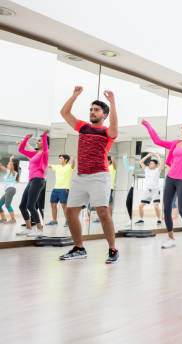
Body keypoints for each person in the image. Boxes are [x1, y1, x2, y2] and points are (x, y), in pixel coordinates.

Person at [58, 86, 119, 263]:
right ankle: (79, 248)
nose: (92, 112)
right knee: (70, 213)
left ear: (104, 114)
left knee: (103, 212)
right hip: (79, 176)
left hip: (99, 176)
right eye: (91, 109)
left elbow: (115, 125)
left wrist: (113, 103)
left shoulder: (108, 132)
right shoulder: (83, 127)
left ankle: (113, 249)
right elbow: (64, 112)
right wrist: (74, 95)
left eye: (96, 110)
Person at [142, 118, 182, 250]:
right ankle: (170, 238)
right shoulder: (176, 143)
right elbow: (157, 141)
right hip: (170, 178)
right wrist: (148, 125)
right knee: (166, 209)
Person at [15, 131, 49, 237]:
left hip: (38, 180)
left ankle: (40, 229)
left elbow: (45, 146)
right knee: (22, 206)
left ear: (44, 143)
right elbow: (21, 149)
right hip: (31, 180)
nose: (37, 142)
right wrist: (26, 138)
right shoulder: (35, 153)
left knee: (30, 205)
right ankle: (29, 228)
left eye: (39, 141)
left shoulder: (45, 153)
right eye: (37, 140)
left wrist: (44, 135)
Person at [46, 154, 75, 226]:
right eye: (59, 158)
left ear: (65, 160)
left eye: (61, 158)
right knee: (53, 204)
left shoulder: (69, 167)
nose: (59, 159)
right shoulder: (57, 167)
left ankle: (68, 221)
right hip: (55, 189)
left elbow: (73, 166)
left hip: (64, 189)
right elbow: (47, 165)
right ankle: (54, 221)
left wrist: (73, 160)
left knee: (64, 206)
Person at [135, 153, 162, 225]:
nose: (150, 164)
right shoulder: (146, 169)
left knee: (156, 206)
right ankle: (141, 219)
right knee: (140, 206)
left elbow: (161, 164)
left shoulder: (157, 170)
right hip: (147, 191)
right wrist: (147, 156)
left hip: (155, 191)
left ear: (155, 165)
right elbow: (140, 162)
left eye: (152, 163)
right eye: (149, 163)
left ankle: (159, 219)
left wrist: (158, 156)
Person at [0, 156, 19, 224]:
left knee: (7, 204)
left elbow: (12, 169)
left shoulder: (14, 173)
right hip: (8, 190)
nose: (7, 164)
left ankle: (13, 219)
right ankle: (3, 219)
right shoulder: (8, 172)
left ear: (12, 166)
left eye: (9, 164)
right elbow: (1, 166)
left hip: (11, 189)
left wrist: (10, 160)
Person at [122, 154, 136, 227]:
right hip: (133, 188)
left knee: (136, 205)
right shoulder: (134, 168)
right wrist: (125, 157)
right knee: (128, 203)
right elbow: (127, 167)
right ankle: (131, 219)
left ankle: (135, 220)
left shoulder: (145, 169)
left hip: (139, 189)